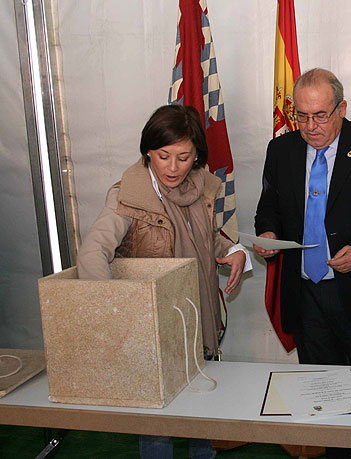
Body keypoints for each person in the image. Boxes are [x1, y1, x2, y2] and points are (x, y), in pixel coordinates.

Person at [254, 68, 351, 459]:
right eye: (302, 116)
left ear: (341, 108)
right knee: (326, 397)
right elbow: (269, 207)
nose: (310, 126)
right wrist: (269, 234)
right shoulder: (282, 149)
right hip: (306, 294)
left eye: (320, 115)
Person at [77, 104, 250, 459]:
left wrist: (234, 250)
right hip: (154, 329)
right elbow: (92, 254)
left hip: (199, 321)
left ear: (196, 155)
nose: (173, 168)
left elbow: (204, 238)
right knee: (158, 428)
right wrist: (115, 312)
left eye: (184, 157)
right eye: (163, 156)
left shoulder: (200, 187)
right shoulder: (128, 196)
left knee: (202, 418)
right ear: (148, 152)